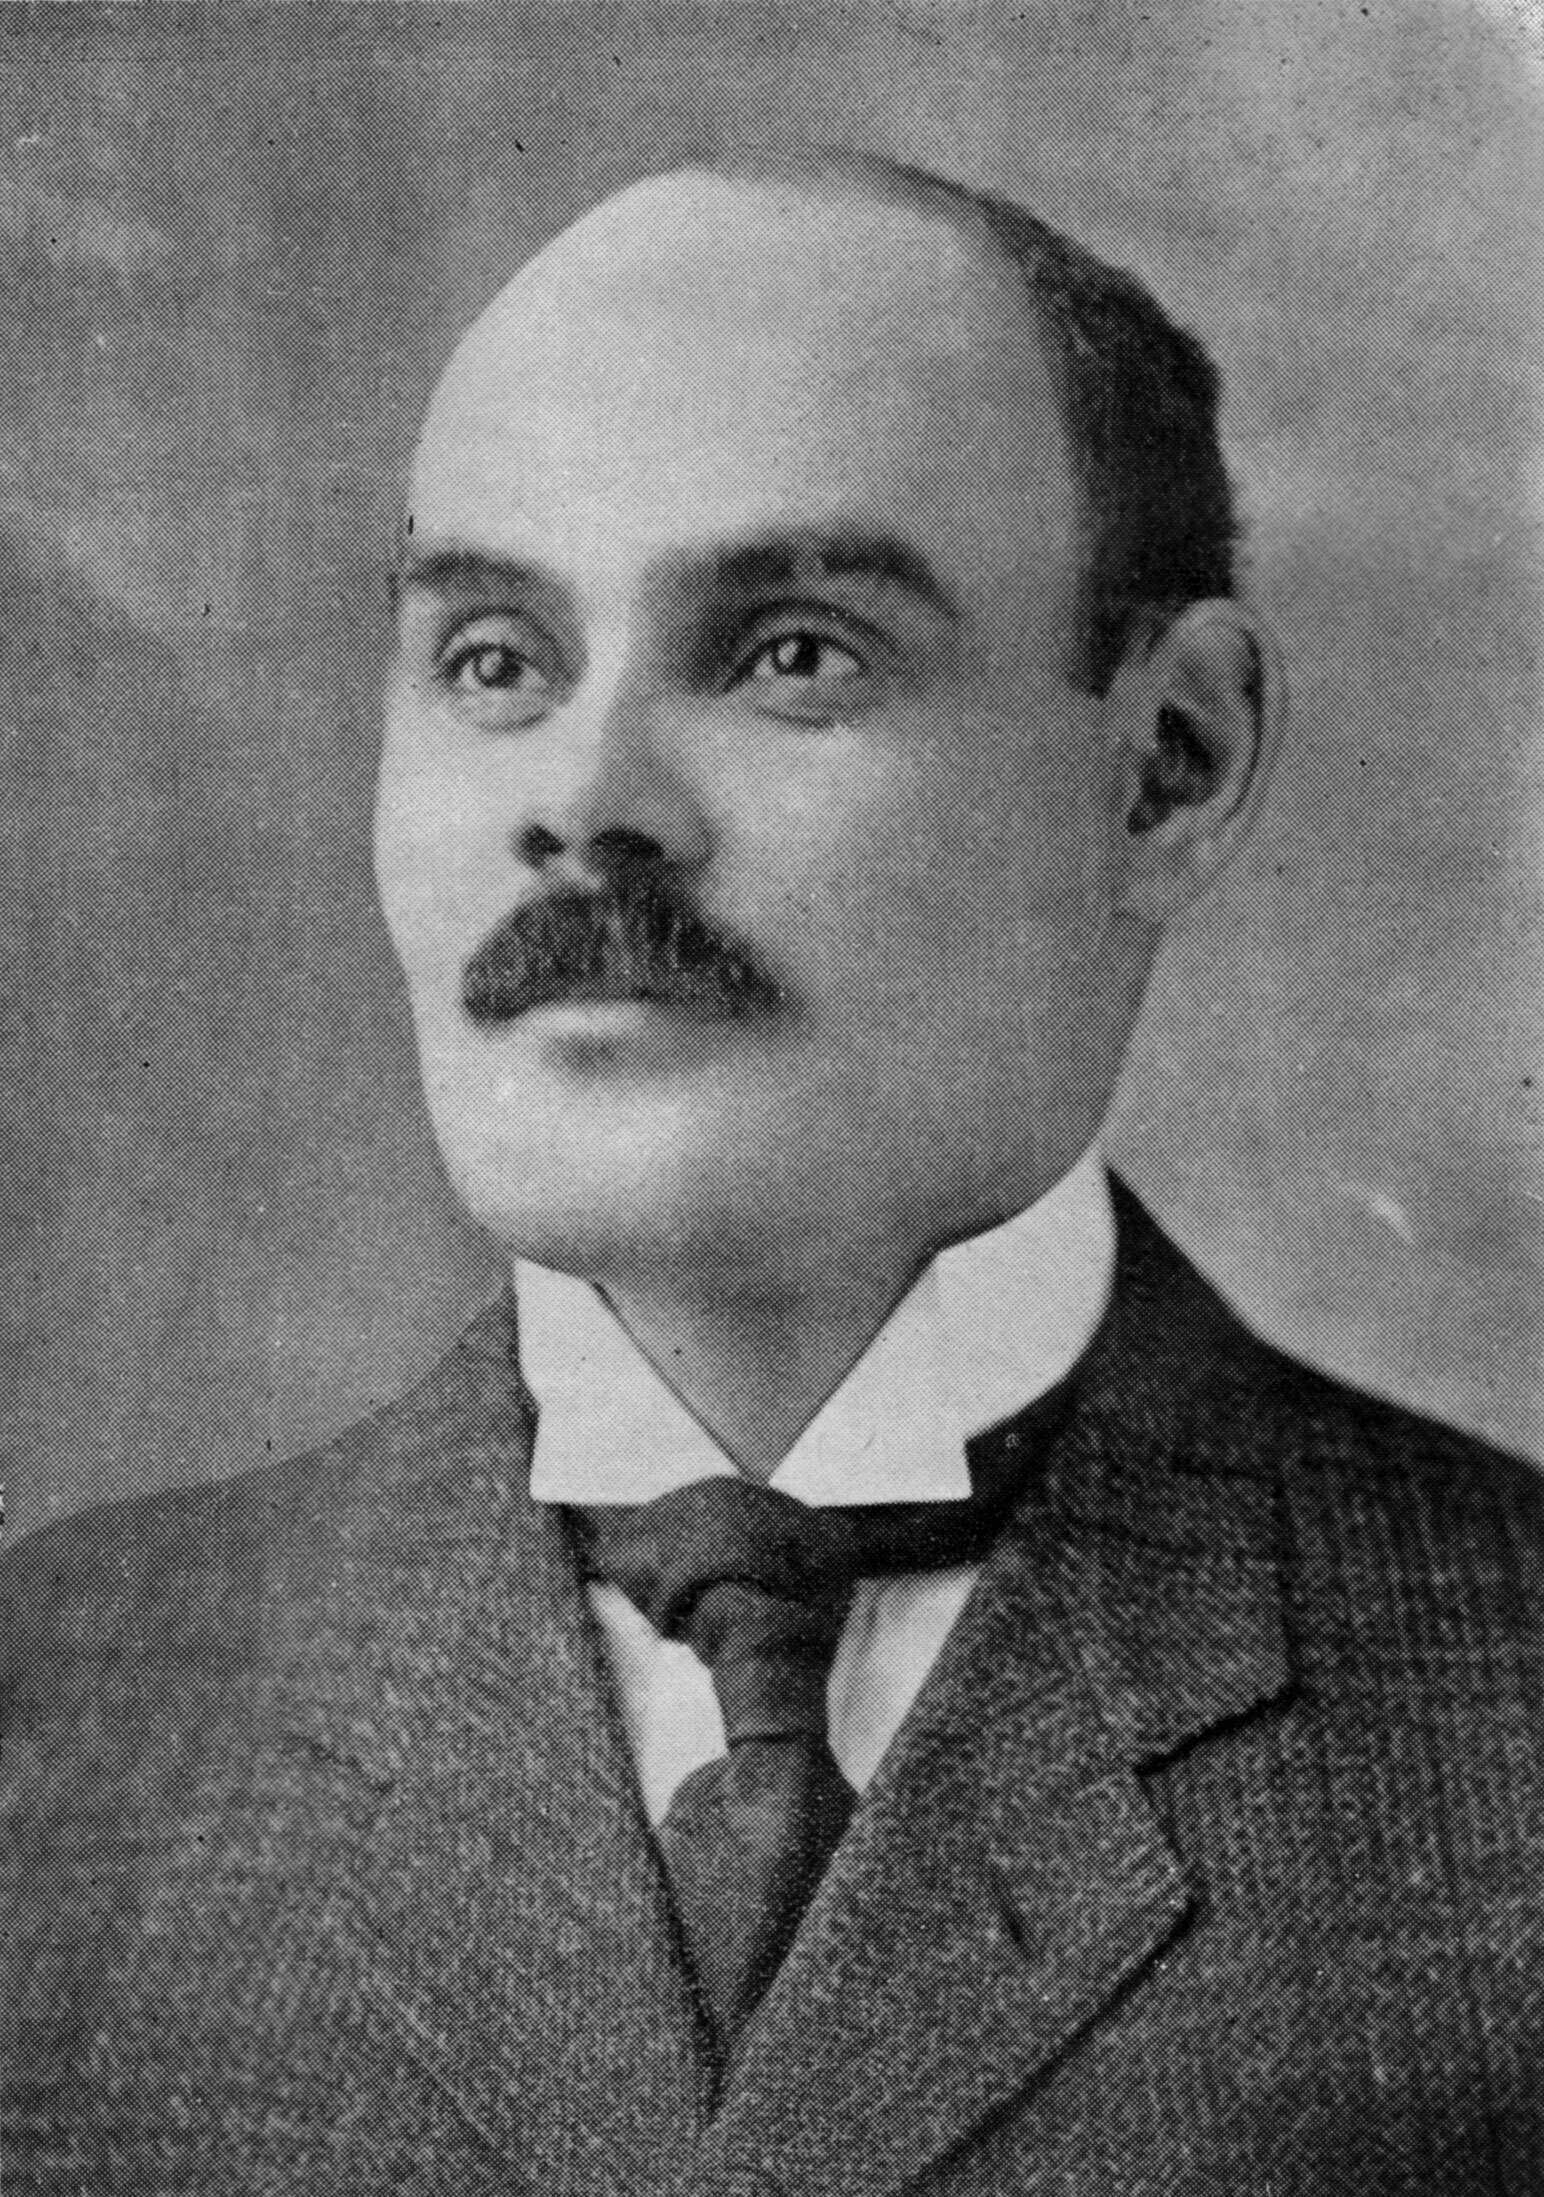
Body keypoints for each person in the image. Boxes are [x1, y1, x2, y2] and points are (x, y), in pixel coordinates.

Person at [2, 150, 1540, 2197]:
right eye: (493, 662)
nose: (588, 803)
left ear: (1166, 761)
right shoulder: (60, 1712)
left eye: (791, 652)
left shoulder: (1506, 1702)